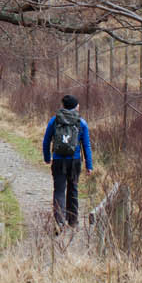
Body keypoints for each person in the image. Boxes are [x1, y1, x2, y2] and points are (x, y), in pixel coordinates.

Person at [42, 94, 92, 229]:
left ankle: (59, 222)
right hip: (74, 161)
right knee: (73, 189)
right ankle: (73, 220)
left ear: (63, 106)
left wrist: (47, 158)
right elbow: (86, 145)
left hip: (58, 161)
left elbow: (46, 141)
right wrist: (89, 165)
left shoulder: (54, 121)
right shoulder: (81, 123)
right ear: (76, 107)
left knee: (59, 190)